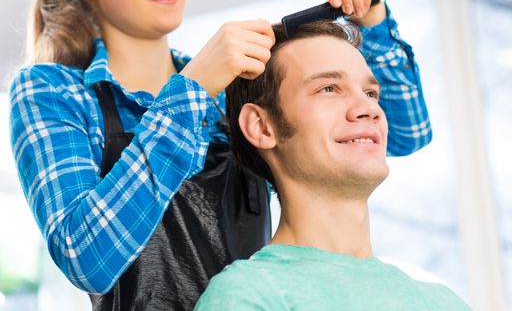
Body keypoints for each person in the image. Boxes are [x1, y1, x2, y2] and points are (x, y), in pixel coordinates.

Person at [9, 0, 431, 310]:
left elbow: (405, 129)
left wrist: (369, 12)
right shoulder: (54, 92)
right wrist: (192, 90)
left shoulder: (230, 89)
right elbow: (87, 257)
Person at [194, 20, 471, 310]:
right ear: (262, 127)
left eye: (370, 93)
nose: (369, 110)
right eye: (329, 88)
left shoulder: (443, 301)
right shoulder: (248, 295)